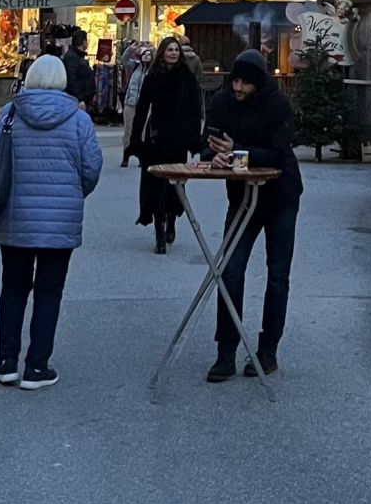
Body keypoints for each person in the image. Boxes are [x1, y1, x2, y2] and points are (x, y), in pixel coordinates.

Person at [0, 53, 102, 390]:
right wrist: (71, 196)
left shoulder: (10, 114)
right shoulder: (78, 120)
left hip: (14, 217)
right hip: (60, 220)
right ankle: (37, 366)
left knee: (13, 288)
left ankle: (6, 362)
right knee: (49, 292)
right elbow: (91, 169)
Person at [202, 49, 303, 383]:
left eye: (246, 82)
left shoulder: (278, 106)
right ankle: (225, 351)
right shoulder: (222, 102)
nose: (239, 88)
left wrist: (237, 150)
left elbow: (277, 152)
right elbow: (208, 142)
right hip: (243, 197)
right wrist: (212, 157)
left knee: (277, 275)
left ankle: (267, 349)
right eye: (236, 80)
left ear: (258, 83)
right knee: (230, 270)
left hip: (280, 195)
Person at [129, 37, 205, 252]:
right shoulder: (153, 77)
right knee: (154, 186)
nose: (173, 53)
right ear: (162, 52)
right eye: (169, 50)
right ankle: (159, 231)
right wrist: (135, 139)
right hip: (156, 138)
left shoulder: (187, 78)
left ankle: (172, 217)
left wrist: (194, 140)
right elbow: (142, 108)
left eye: (176, 50)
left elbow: (194, 111)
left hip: (178, 139)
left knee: (175, 185)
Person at [120, 44, 150, 167]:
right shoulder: (135, 66)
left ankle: (141, 156)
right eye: (145, 54)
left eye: (149, 55)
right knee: (128, 130)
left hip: (146, 105)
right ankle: (126, 155)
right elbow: (125, 59)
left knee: (143, 131)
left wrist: (152, 48)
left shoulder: (153, 70)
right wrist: (132, 48)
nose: (147, 57)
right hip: (131, 103)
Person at [63, 29, 96, 109]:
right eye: (86, 40)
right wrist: (80, 99)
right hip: (78, 102)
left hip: (84, 100)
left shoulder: (77, 57)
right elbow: (71, 80)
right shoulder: (72, 57)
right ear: (83, 41)